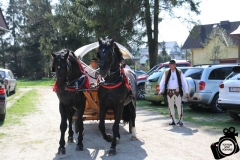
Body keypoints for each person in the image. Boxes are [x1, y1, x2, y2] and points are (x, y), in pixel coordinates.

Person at [158, 60, 189, 126]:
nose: (172, 66)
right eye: (170, 65)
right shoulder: (166, 72)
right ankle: (173, 120)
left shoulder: (179, 72)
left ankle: (180, 120)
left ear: (175, 65)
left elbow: (184, 82)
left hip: (177, 90)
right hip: (169, 91)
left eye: (173, 65)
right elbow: (162, 82)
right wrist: (161, 91)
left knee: (179, 105)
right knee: (171, 106)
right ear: (169, 65)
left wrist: (186, 91)